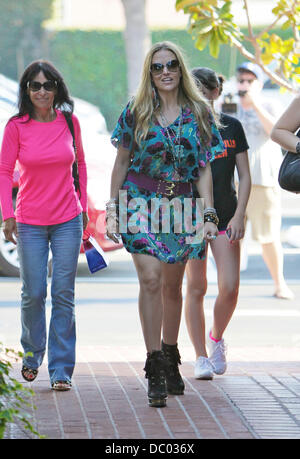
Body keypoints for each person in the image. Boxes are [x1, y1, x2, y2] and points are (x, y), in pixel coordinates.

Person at [107, 41, 224, 408]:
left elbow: (204, 167)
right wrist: (113, 210)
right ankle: (155, 364)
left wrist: (208, 214)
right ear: (150, 73)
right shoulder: (136, 111)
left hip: (183, 206)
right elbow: (121, 162)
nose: (165, 72)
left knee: (174, 287)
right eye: (157, 67)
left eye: (171, 64)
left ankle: (172, 355)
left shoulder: (199, 112)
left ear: (181, 69)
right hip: (140, 201)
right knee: (151, 280)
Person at [0, 60, 88, 391]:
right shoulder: (16, 127)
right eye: (34, 86)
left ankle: (62, 368)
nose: (41, 91)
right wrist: (7, 213)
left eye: (47, 85)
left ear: (56, 89)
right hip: (30, 221)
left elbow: (80, 164)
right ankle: (33, 353)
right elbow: (4, 171)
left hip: (67, 218)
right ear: (26, 90)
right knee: (33, 293)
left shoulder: (69, 122)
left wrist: (83, 209)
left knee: (63, 294)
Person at [184, 67, 251, 379]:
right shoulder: (183, 129)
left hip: (227, 216)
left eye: (202, 89)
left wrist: (240, 215)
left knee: (229, 287)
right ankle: (199, 357)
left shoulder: (231, 127)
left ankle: (216, 338)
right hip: (192, 218)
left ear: (214, 92)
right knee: (196, 287)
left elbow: (245, 176)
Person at [234, 62, 294, 300]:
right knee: (232, 236)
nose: (245, 85)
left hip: (263, 179)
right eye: (241, 80)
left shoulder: (269, 104)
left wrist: (254, 104)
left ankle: (279, 283)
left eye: (250, 81)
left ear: (258, 83)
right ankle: (230, 284)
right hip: (233, 181)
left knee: (269, 236)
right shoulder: (227, 104)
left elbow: (276, 132)